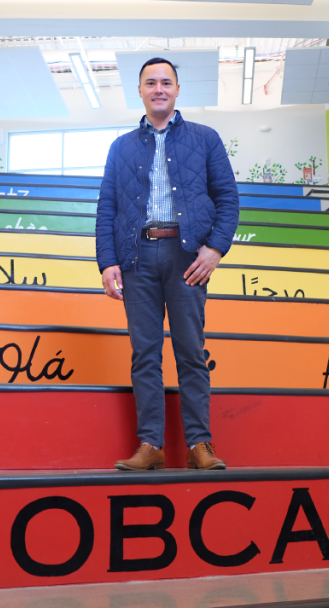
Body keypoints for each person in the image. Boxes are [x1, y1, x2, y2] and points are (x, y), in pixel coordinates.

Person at [96, 57, 239, 472]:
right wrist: (108, 262)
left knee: (191, 352)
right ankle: (151, 445)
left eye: (166, 82)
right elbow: (107, 207)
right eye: (150, 83)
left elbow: (227, 198)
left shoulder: (205, 138)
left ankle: (199, 445)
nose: (159, 89)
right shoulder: (120, 147)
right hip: (137, 257)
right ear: (139, 91)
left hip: (187, 256)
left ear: (177, 90)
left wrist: (215, 249)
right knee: (145, 354)